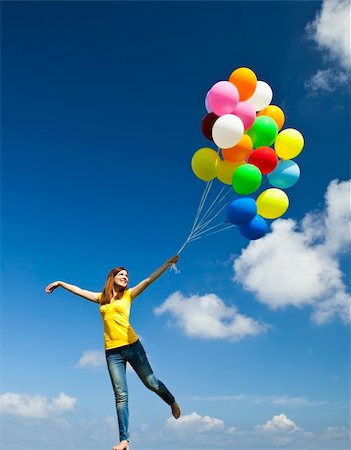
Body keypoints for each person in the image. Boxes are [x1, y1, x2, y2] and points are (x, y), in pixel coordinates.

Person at [45, 255, 181, 450]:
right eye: (122, 274)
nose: (126, 277)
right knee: (120, 395)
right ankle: (124, 440)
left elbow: (148, 280)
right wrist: (60, 283)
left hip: (133, 346)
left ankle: (172, 401)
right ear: (113, 277)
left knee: (151, 383)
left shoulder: (129, 295)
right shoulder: (102, 299)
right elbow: (79, 290)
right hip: (112, 352)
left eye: (127, 275)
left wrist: (167, 264)